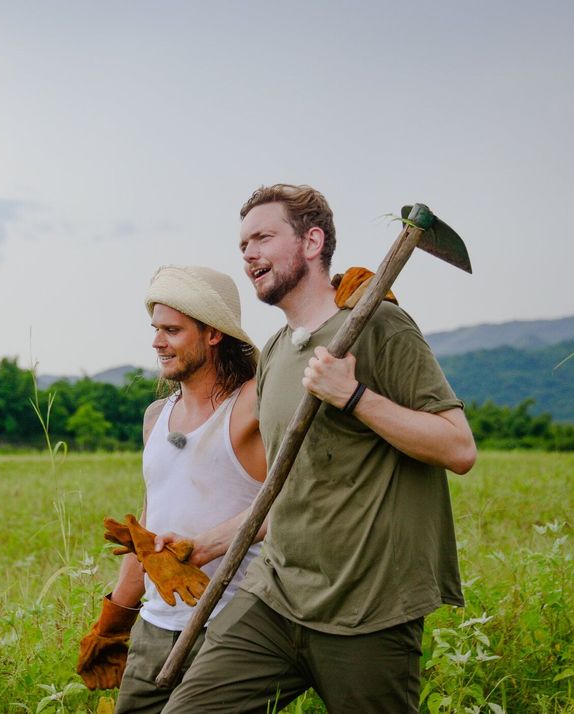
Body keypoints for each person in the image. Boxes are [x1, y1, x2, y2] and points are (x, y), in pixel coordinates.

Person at [164, 184, 477, 712]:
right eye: (242, 244)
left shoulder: (380, 326)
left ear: (312, 242)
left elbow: (458, 447)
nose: (248, 254)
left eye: (263, 237)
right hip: (276, 598)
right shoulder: (275, 353)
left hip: (367, 611)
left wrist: (354, 396)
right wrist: (203, 547)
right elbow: (284, 493)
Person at [77, 265, 269, 713]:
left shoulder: (252, 406)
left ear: (214, 334)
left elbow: (307, 373)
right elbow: (148, 525)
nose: (157, 342)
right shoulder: (156, 415)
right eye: (155, 329)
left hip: (229, 625)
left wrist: (345, 314)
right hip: (155, 624)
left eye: (172, 330)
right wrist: (116, 619)